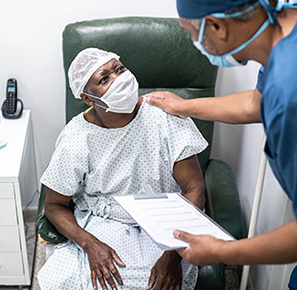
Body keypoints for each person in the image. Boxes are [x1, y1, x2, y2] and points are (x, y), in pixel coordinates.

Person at [145, 0, 297, 289]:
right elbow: (255, 102)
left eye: (192, 33)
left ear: (218, 26)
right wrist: (185, 106)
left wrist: (224, 250)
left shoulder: (296, 91)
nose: (194, 43)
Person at [37, 48, 208, 290]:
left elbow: (194, 189)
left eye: (119, 69)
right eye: (104, 79)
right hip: (107, 222)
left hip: (166, 222)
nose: (119, 79)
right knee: (69, 280)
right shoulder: (77, 137)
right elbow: (54, 206)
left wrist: (172, 254)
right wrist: (90, 245)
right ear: (87, 97)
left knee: (151, 282)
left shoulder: (164, 115)